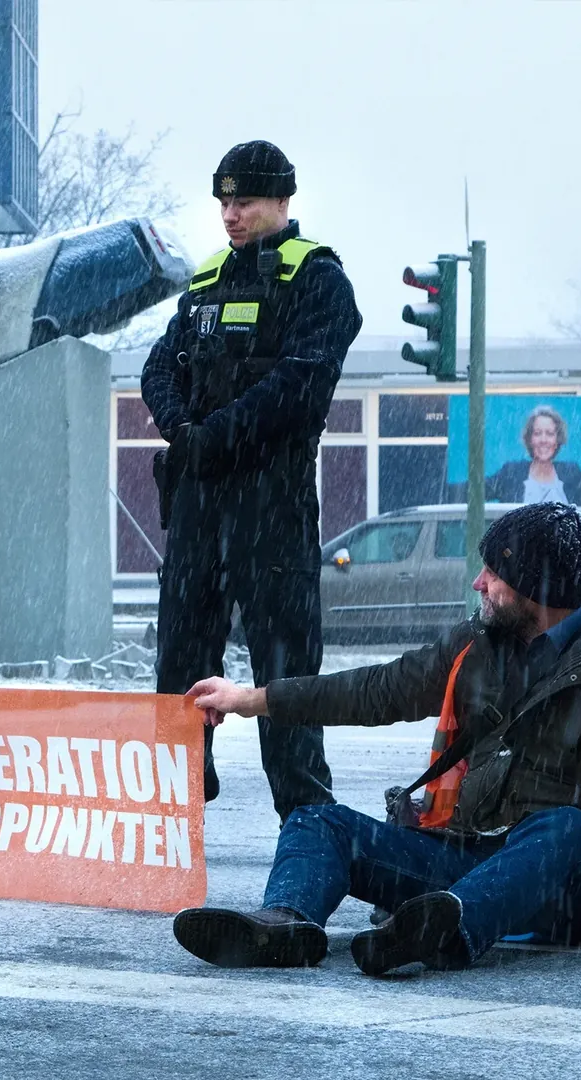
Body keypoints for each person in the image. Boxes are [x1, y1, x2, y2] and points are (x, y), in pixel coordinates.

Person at [172, 503, 581, 975]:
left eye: (493, 572)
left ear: (535, 587)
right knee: (318, 821)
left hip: (574, 890)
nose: (478, 582)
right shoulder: (477, 644)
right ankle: (287, 926)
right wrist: (252, 699)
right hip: (466, 861)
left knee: (564, 827)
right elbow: (374, 691)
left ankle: (446, 927)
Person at [140, 140, 363, 817]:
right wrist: (184, 430)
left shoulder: (317, 279)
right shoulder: (206, 281)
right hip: (200, 503)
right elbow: (159, 370)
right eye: (224, 203)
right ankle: (174, 809)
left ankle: (307, 827)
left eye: (244, 202)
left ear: (281, 202)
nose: (230, 215)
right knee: (179, 672)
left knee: (286, 679)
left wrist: (217, 433)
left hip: (274, 506)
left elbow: (299, 385)